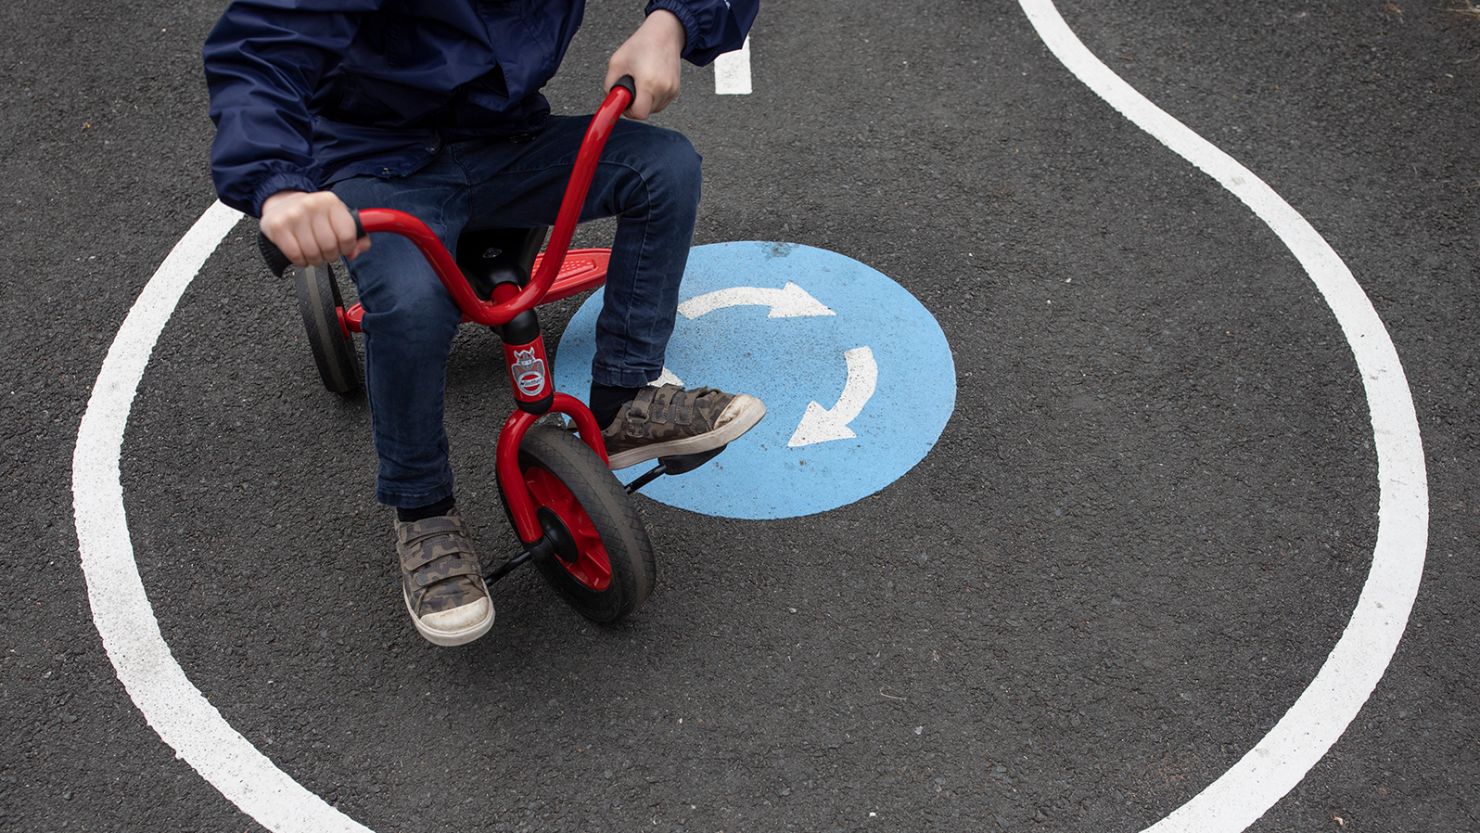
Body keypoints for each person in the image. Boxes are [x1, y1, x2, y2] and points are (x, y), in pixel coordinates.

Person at [203, 0, 764, 647]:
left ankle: (623, 398)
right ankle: (423, 510)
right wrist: (278, 186)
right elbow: (260, 45)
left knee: (664, 170)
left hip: (506, 140)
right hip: (379, 162)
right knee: (411, 306)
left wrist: (672, 23)